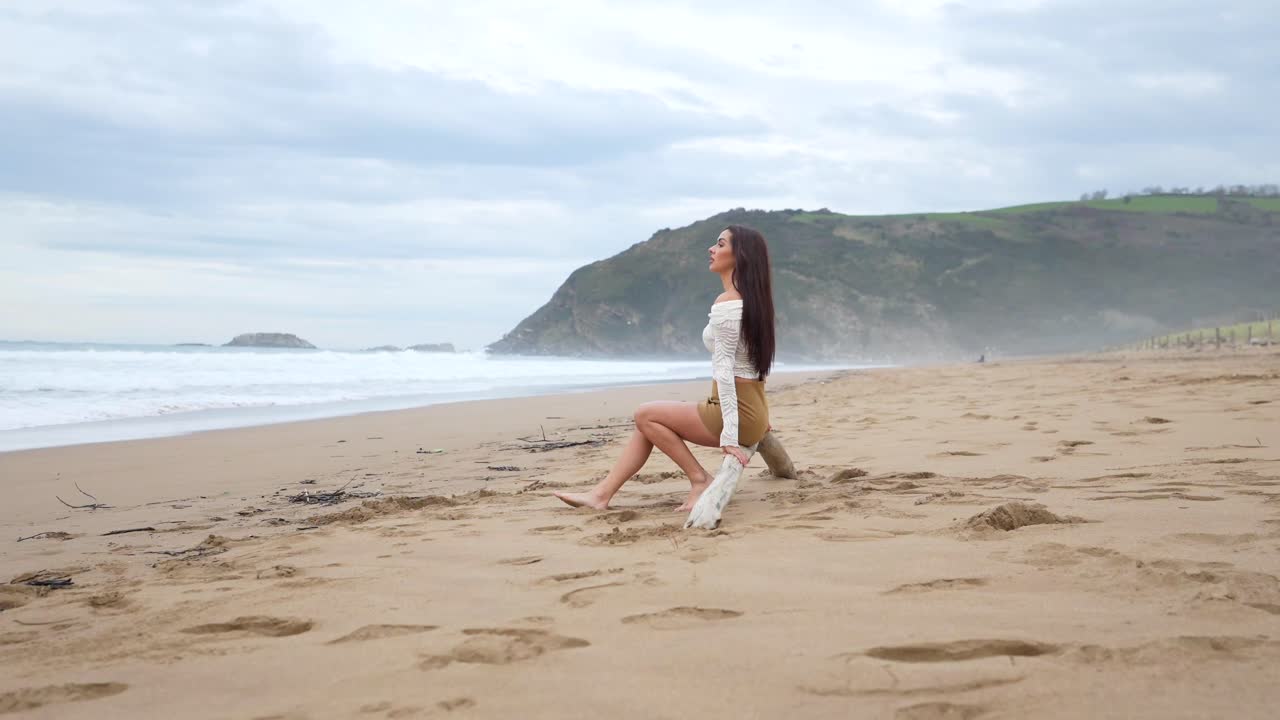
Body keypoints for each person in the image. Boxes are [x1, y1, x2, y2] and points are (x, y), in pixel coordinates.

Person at [555, 225, 776, 511]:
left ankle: (699, 479)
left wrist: (731, 438)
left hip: (732, 415)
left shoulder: (729, 304)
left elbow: (725, 371)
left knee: (645, 413)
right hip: (750, 411)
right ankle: (601, 495)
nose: (711, 249)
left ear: (740, 256)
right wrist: (760, 417)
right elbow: (755, 365)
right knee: (648, 423)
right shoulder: (752, 302)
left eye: (720, 244)